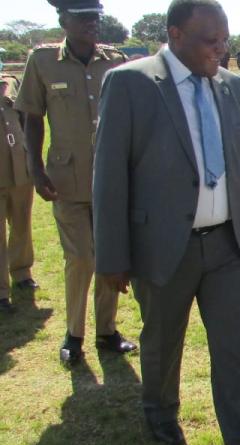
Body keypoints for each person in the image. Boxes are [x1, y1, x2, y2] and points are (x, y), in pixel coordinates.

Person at [93, 0, 240, 445]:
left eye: (225, 40)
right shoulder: (130, 83)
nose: (222, 50)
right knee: (163, 342)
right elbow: (109, 176)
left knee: (237, 348)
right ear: (176, 35)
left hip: (228, 244)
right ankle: (160, 416)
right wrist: (112, 255)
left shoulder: (229, 85)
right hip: (163, 247)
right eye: (211, 41)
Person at [14, 0, 135, 364]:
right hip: (66, 181)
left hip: (112, 182)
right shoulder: (42, 61)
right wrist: (35, 168)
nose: (92, 24)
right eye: (83, 17)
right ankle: (74, 333)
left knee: (108, 256)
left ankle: (107, 331)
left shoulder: (115, 61)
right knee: (80, 257)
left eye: (95, 17)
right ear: (63, 20)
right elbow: (31, 118)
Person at [0, 75, 35, 314]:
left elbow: (26, 118)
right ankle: (1, 292)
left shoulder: (10, 82)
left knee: (22, 224)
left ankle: (21, 272)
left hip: (19, 167)